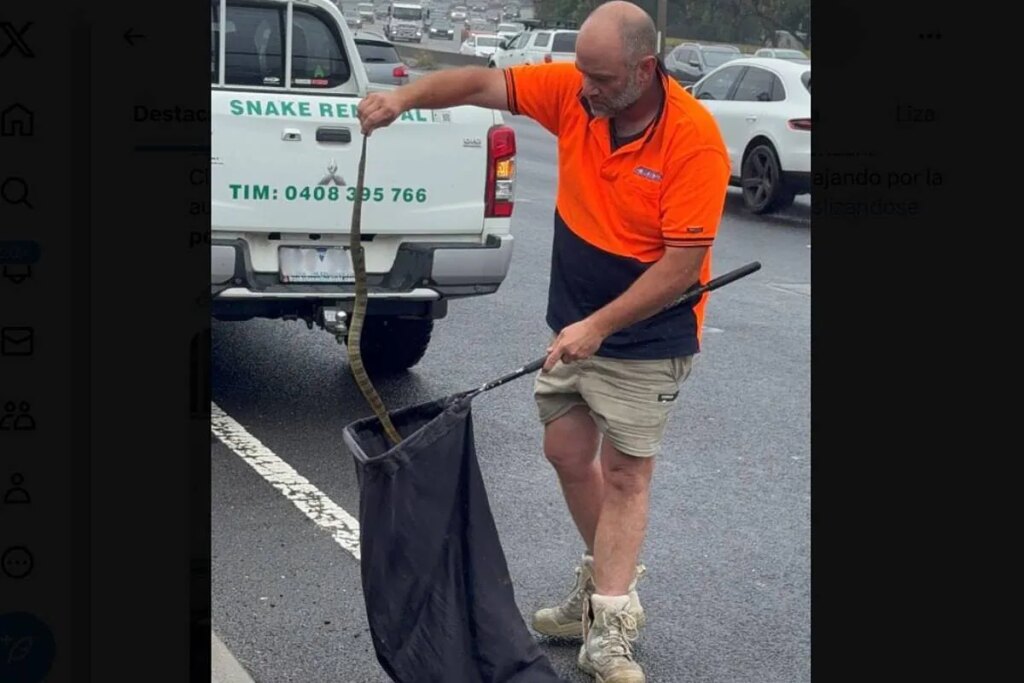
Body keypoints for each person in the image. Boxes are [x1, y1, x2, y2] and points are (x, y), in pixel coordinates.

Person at [358, 2, 730, 681]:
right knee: (564, 450)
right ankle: (603, 590)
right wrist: (403, 99)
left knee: (625, 474)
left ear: (644, 70)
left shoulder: (693, 141)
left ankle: (609, 632)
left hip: (647, 335)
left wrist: (599, 327)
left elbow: (680, 264)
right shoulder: (575, 94)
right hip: (577, 324)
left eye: (600, 75)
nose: (583, 86)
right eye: (581, 71)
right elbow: (478, 85)